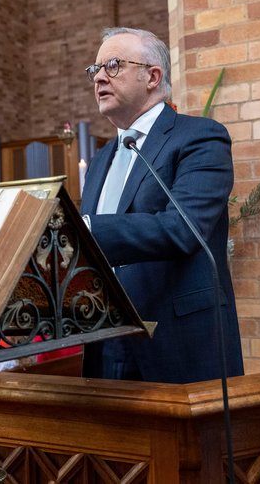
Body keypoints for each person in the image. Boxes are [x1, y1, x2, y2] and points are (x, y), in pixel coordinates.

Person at [79, 27, 243, 384]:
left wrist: (84, 230)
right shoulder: (100, 161)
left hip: (178, 343)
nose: (99, 78)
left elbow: (182, 228)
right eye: (95, 70)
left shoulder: (200, 138)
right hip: (106, 343)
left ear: (152, 76)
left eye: (113, 65)